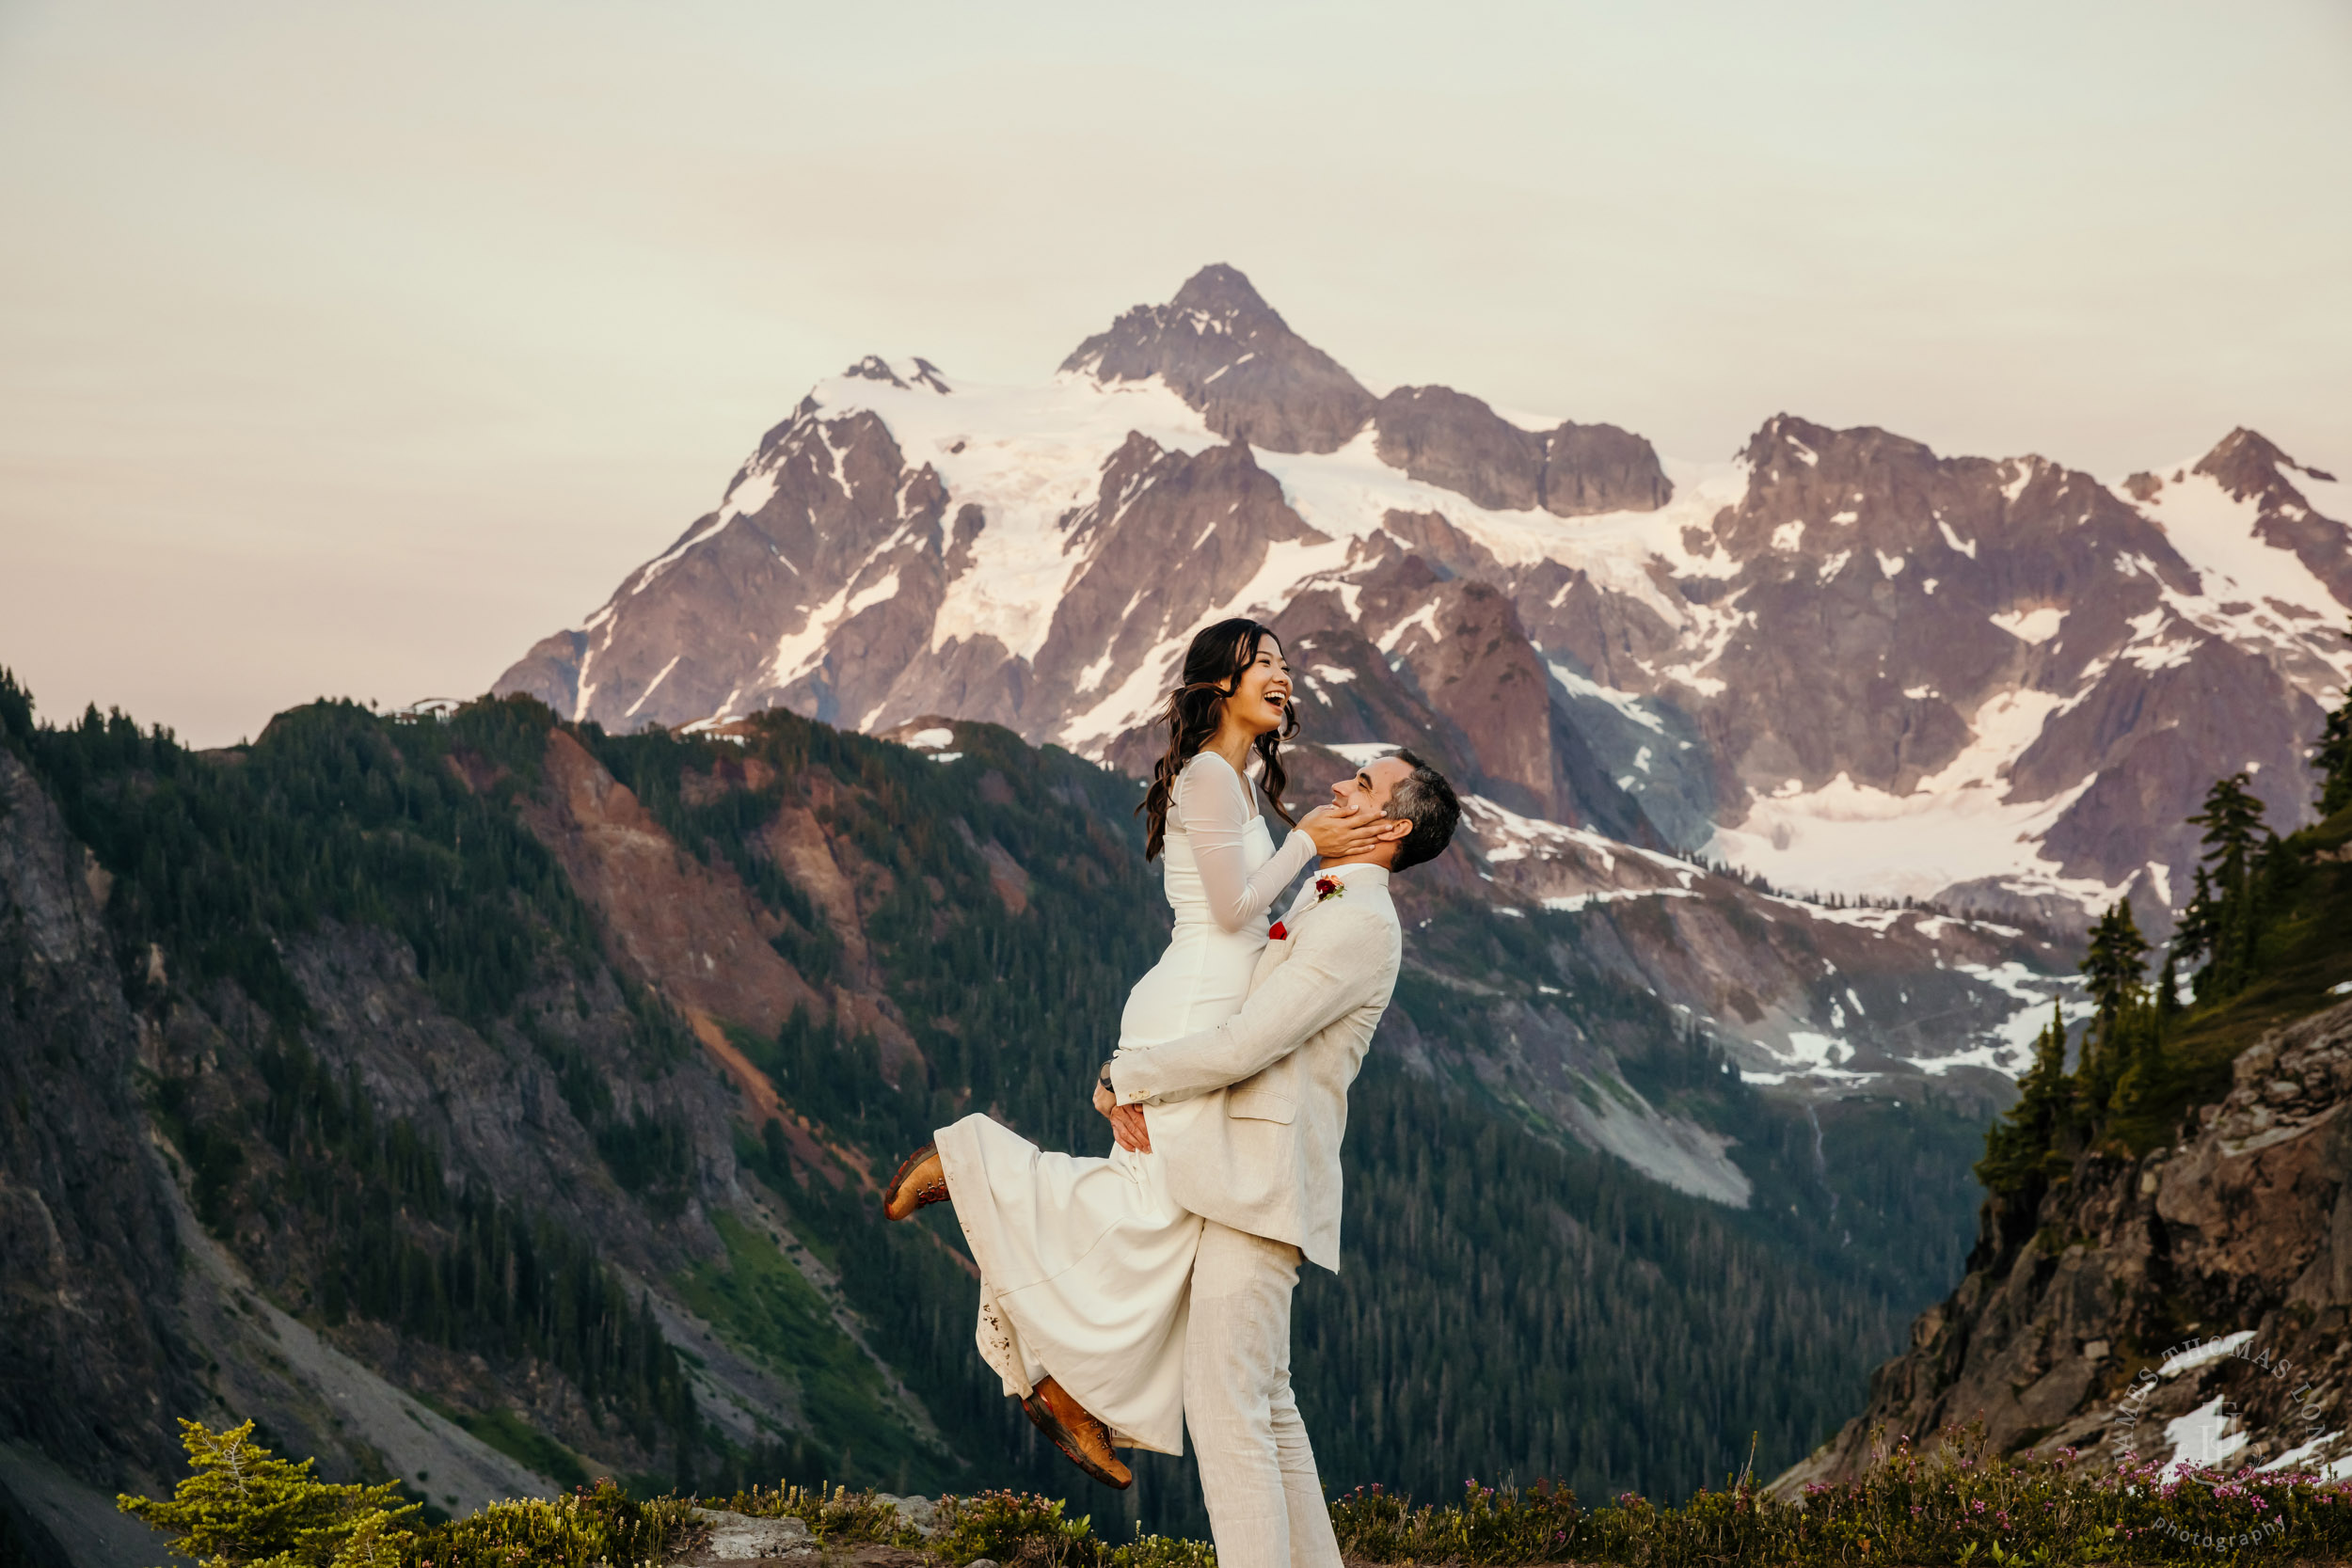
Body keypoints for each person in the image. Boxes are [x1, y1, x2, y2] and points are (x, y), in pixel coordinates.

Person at [878, 617, 1389, 1485]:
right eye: (1262, 662)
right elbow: (1231, 911)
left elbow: (1256, 913)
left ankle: (1072, 1392)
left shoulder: (1237, 777)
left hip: (1209, 1008)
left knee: (1164, 1214)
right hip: (1191, 1005)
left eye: (1285, 664)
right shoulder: (1205, 776)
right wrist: (1311, 846)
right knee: (1155, 1208)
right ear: (1218, 684)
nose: (1282, 674)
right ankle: (974, 1162)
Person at [1098, 747, 1459, 1568]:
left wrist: (1129, 1075)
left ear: (1390, 826)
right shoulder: (1333, 898)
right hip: (1249, 1177)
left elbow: (1248, 1042)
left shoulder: (1361, 923)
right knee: (1265, 1401)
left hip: (1260, 1184)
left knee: (1228, 1409)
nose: (1338, 785)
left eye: (1362, 784)